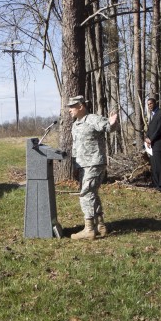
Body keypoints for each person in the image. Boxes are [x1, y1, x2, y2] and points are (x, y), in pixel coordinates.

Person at [67, 95, 119, 240]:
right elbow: (76, 147)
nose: (70, 110)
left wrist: (113, 122)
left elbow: (108, 127)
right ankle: (100, 226)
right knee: (92, 193)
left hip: (94, 163)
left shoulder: (93, 119)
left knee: (86, 194)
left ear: (80, 106)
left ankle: (89, 229)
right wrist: (75, 166)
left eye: (72, 107)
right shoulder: (75, 124)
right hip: (83, 165)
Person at [145, 97, 161, 192]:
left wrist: (151, 139)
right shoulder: (151, 115)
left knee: (160, 165)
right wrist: (147, 138)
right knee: (154, 165)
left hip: (158, 144)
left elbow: (159, 129)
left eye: (151, 103)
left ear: (155, 103)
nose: (149, 105)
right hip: (151, 145)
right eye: (148, 104)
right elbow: (150, 129)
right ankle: (156, 184)